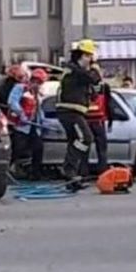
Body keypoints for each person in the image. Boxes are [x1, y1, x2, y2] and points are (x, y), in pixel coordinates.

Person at [56, 39, 101, 180]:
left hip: (71, 111)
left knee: (75, 140)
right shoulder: (75, 70)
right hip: (70, 112)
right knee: (86, 138)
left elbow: (90, 86)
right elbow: (93, 78)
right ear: (82, 56)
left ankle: (70, 173)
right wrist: (95, 67)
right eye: (88, 57)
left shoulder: (75, 71)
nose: (90, 60)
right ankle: (68, 168)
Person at [7, 68, 47, 180]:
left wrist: (42, 120)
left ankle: (36, 173)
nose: (37, 84)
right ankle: (5, 171)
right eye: (36, 81)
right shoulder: (20, 88)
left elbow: (39, 109)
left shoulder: (37, 94)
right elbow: (12, 102)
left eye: (39, 83)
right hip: (21, 126)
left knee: (38, 148)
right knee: (17, 148)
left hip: (34, 125)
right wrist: (21, 113)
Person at [86, 65, 114, 174]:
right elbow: (109, 104)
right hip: (99, 121)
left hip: (86, 120)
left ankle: (83, 172)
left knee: (85, 148)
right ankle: (102, 172)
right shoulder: (104, 86)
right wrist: (111, 120)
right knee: (102, 149)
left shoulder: (85, 85)